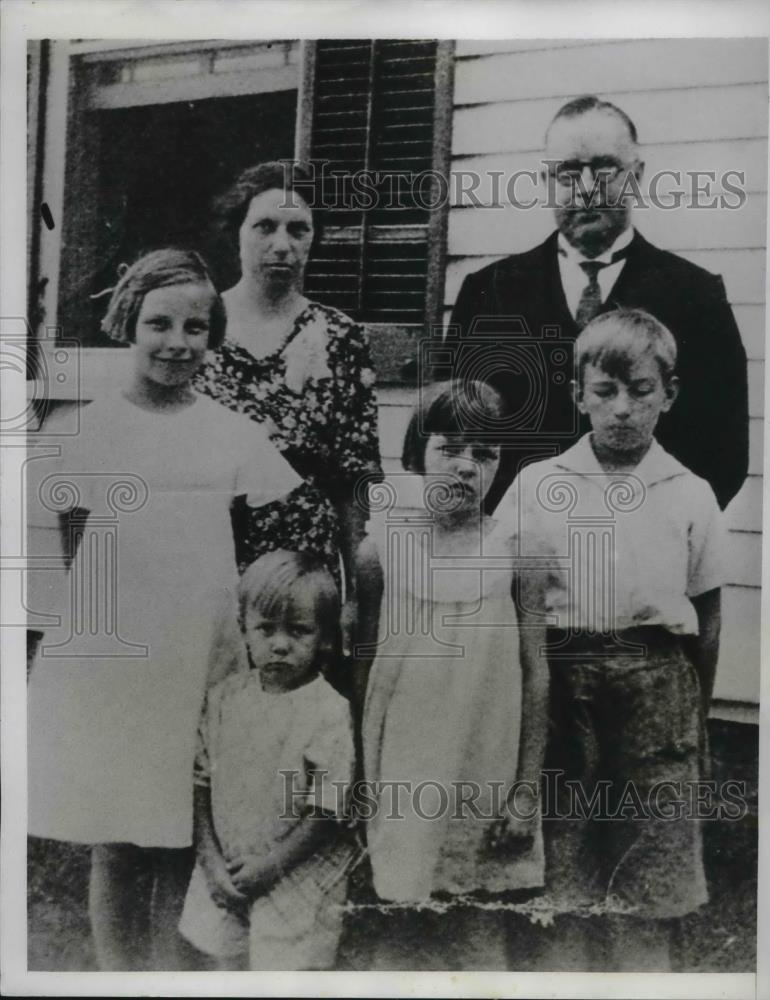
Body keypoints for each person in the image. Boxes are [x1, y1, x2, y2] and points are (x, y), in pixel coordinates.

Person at [27, 249, 300, 970]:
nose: (177, 342)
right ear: (129, 323)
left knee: (186, 820)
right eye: (159, 324)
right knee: (116, 832)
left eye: (196, 327)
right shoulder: (88, 431)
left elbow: (246, 544)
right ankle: (120, 974)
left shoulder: (229, 431)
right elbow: (73, 536)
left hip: (199, 649)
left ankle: (172, 971)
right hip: (117, 653)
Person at [492, 309, 724, 971]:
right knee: (565, 864)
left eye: (641, 392)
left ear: (668, 395)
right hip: (563, 683)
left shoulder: (691, 493)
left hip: (657, 685)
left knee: (649, 865)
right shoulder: (539, 485)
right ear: (578, 395)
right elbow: (509, 601)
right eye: (605, 393)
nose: (622, 409)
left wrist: (697, 717)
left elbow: (707, 619)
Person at [447, 95, 748, 512]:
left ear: (637, 175)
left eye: (605, 169)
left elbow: (723, 452)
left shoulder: (696, 295)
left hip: (643, 557)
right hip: (519, 554)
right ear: (546, 180)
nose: (587, 189)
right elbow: (453, 436)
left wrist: (648, 533)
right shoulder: (488, 292)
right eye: (568, 173)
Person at [357, 380, 549, 970]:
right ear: (416, 455)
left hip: (482, 759)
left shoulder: (519, 551)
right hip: (404, 762)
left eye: (485, 453)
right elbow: (362, 670)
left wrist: (524, 791)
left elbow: (535, 673)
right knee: (398, 919)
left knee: (477, 926)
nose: (467, 466)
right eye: (451, 448)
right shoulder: (379, 551)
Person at [195, 161, 383, 659]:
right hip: (209, 546)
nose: (282, 244)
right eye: (264, 227)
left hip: (304, 560)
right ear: (236, 233)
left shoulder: (340, 336)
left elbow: (353, 479)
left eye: (298, 229)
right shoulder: (197, 328)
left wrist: (350, 595)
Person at [178, 550, 359, 971]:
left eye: (298, 631)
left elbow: (328, 809)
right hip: (227, 867)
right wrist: (212, 864)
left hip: (294, 872)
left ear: (325, 638)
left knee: (286, 972)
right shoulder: (224, 699)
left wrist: (272, 865)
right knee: (229, 964)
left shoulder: (327, 710)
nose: (279, 644)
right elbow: (201, 782)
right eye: (266, 629)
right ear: (244, 629)